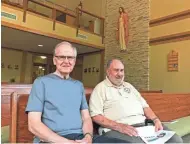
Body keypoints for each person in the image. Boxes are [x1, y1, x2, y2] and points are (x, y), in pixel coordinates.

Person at [25, 42, 126, 143]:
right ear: (54, 60)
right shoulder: (41, 82)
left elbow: (86, 118)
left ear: (74, 61)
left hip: (80, 137)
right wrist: (67, 142)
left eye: (70, 57)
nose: (66, 61)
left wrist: (88, 137)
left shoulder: (78, 85)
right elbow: (33, 124)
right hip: (52, 139)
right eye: (61, 57)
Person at [89, 58, 183, 143]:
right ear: (108, 71)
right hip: (117, 129)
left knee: (175, 140)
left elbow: (145, 106)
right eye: (116, 70)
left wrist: (156, 120)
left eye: (122, 70)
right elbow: (96, 116)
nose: (120, 74)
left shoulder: (129, 86)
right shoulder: (100, 88)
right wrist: (120, 126)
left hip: (144, 126)